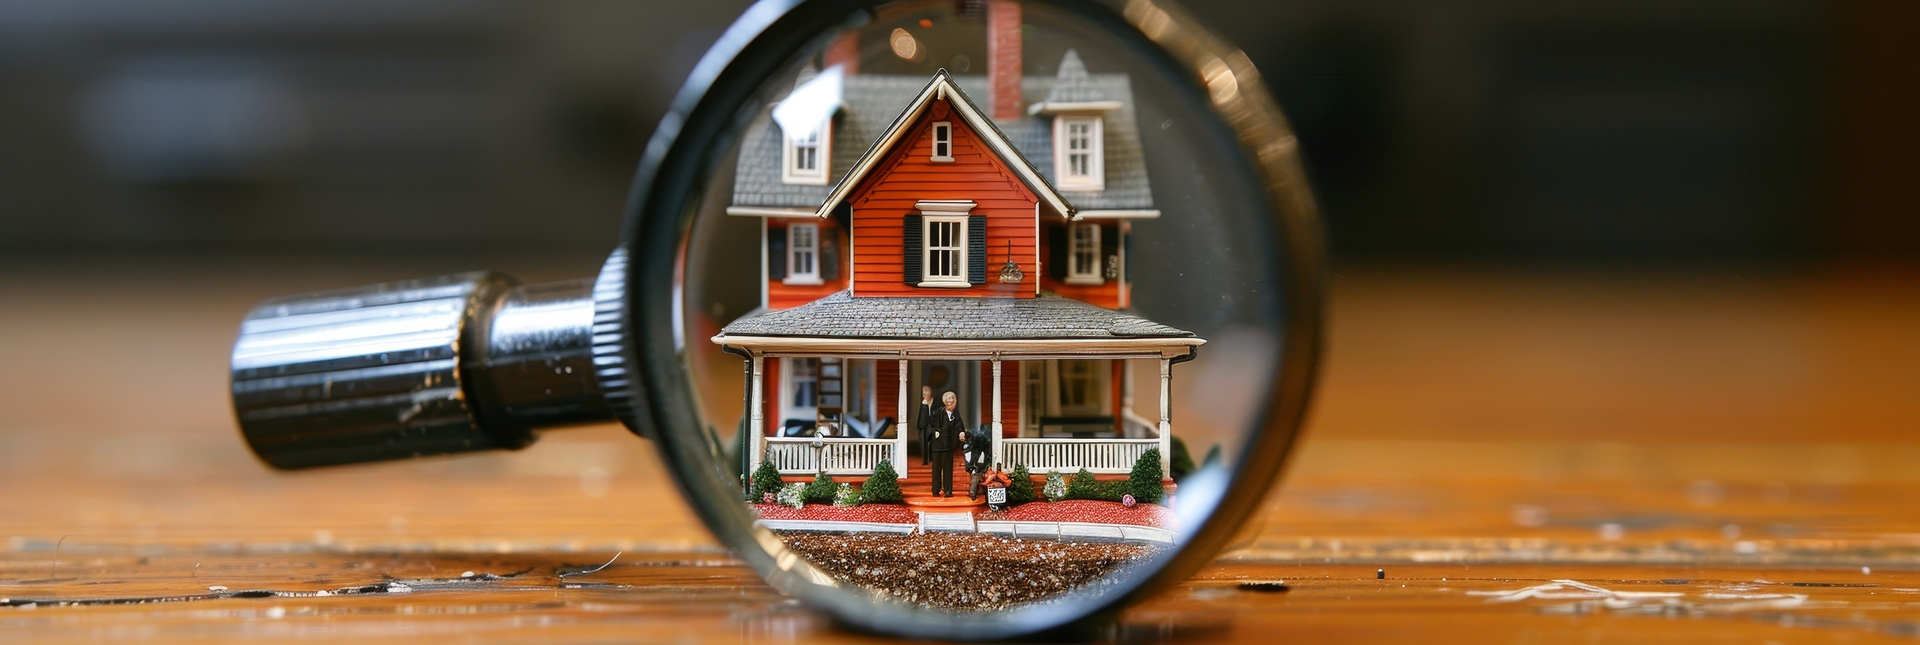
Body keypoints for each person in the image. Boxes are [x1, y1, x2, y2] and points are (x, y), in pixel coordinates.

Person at [927, 391, 963, 497]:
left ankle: (948, 491)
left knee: (948, 469)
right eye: (948, 398)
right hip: (938, 445)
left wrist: (961, 431)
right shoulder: (939, 412)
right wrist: (937, 430)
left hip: (949, 445)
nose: (950, 401)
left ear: (955, 401)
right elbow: (933, 422)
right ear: (944, 401)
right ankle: (935, 490)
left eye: (952, 398)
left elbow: (959, 423)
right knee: (936, 469)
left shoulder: (956, 413)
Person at [963, 423, 991, 499]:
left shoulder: (975, 443)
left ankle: (973, 491)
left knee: (975, 475)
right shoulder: (980, 442)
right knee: (975, 474)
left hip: (977, 462)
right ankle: (974, 491)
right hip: (978, 462)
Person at [914, 385, 935, 465]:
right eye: (923, 392)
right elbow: (922, 417)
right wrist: (924, 404)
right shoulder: (923, 403)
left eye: (926, 391)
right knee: (924, 441)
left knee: (934, 443)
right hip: (925, 426)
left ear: (930, 392)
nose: (925, 393)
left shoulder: (935, 402)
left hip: (933, 426)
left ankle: (932, 459)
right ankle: (925, 460)